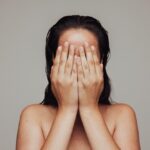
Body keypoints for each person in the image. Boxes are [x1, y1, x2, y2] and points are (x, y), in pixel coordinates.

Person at [16, 15, 141, 150]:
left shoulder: (122, 115)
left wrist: (89, 109)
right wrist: (67, 110)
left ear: (102, 62)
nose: (76, 63)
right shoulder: (33, 116)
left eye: (87, 55)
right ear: (52, 61)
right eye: (67, 55)